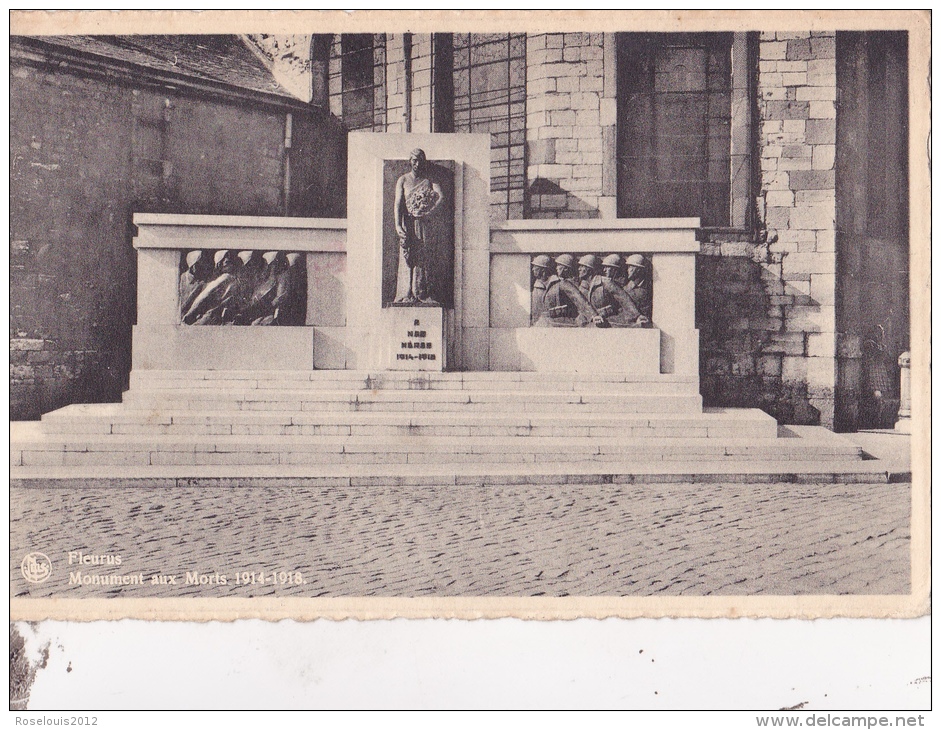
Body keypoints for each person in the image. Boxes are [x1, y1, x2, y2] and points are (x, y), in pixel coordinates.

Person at [394, 148, 444, 304]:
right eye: (414, 160)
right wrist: (397, 225)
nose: (417, 163)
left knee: (424, 256)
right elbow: (397, 204)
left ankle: (422, 292)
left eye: (420, 160)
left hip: (424, 225)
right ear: (410, 161)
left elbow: (441, 197)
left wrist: (429, 211)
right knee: (408, 257)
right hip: (408, 224)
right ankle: (406, 292)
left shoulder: (428, 180)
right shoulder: (403, 180)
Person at [532, 254, 599, 327]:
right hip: (542, 323)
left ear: (543, 269)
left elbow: (578, 298)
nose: (533, 269)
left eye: (536, 267)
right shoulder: (537, 286)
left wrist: (594, 315)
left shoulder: (560, 283)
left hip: (562, 324)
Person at [182, 249, 241, 325]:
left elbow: (204, 297)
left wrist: (189, 315)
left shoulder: (228, 278)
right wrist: (189, 314)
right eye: (226, 260)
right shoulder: (225, 278)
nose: (228, 259)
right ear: (219, 264)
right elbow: (204, 297)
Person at [585, 254, 646, 327]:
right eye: (604, 267)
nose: (604, 270)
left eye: (608, 267)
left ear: (615, 270)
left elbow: (621, 298)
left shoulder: (617, 285)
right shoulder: (601, 283)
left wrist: (637, 315)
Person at [179, 250, 209, 320]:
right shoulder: (181, 278)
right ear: (192, 265)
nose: (202, 266)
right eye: (199, 264)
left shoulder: (203, 282)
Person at [623, 253, 652, 319]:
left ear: (638, 269)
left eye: (630, 267)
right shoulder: (625, 289)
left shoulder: (649, 289)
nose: (628, 270)